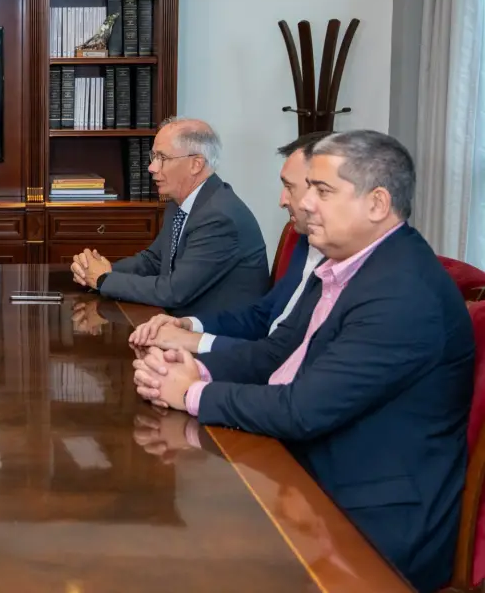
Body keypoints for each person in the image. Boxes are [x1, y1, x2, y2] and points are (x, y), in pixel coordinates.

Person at [132, 130, 473, 593]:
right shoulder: (344, 264)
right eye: (306, 187)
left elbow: (302, 410)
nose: (304, 203)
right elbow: (275, 354)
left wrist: (191, 392)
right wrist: (194, 367)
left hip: (368, 518)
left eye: (323, 190)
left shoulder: (403, 294)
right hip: (305, 473)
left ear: (377, 203)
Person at [129, 131, 330, 354]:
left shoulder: (219, 214)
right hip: (250, 353)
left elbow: (282, 355)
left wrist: (194, 346)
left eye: (290, 187)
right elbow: (262, 316)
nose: (282, 201)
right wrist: (189, 325)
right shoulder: (308, 241)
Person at [71, 117, 269, 313]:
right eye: (153, 157)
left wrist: (103, 279)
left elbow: (174, 292)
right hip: (181, 321)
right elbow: (154, 261)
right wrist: (102, 269)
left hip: (220, 334)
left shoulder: (219, 218)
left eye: (162, 158)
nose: (151, 167)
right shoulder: (180, 203)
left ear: (196, 164)